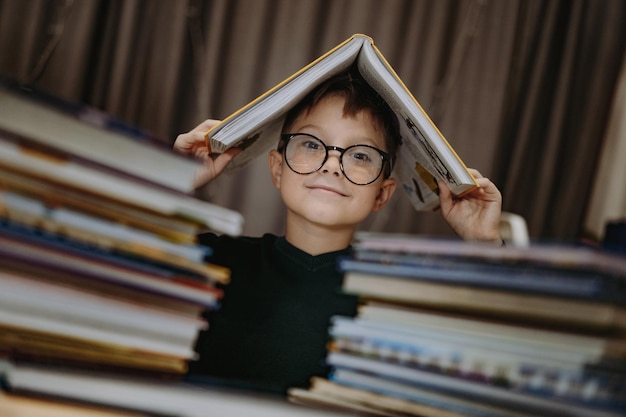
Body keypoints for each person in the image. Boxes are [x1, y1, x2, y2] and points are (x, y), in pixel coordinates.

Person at [174, 70, 502, 394]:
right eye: (312, 144)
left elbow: (493, 358)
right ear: (277, 168)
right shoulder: (213, 261)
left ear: (382, 194)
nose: (332, 165)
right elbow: (125, 261)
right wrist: (172, 178)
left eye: (360, 155)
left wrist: (485, 244)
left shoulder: (402, 298)